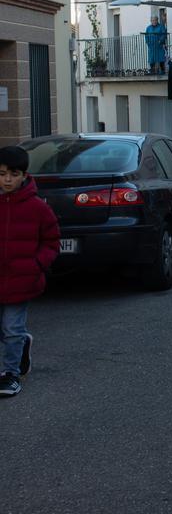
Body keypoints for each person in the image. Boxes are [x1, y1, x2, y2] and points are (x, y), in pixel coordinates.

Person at [0, 146, 59, 398]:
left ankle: (9, 374)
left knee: (11, 328)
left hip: (21, 280)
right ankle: (22, 344)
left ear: (24, 175)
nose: (7, 180)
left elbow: (52, 241)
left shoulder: (37, 207)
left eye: (13, 174)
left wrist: (35, 265)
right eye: (2, 174)